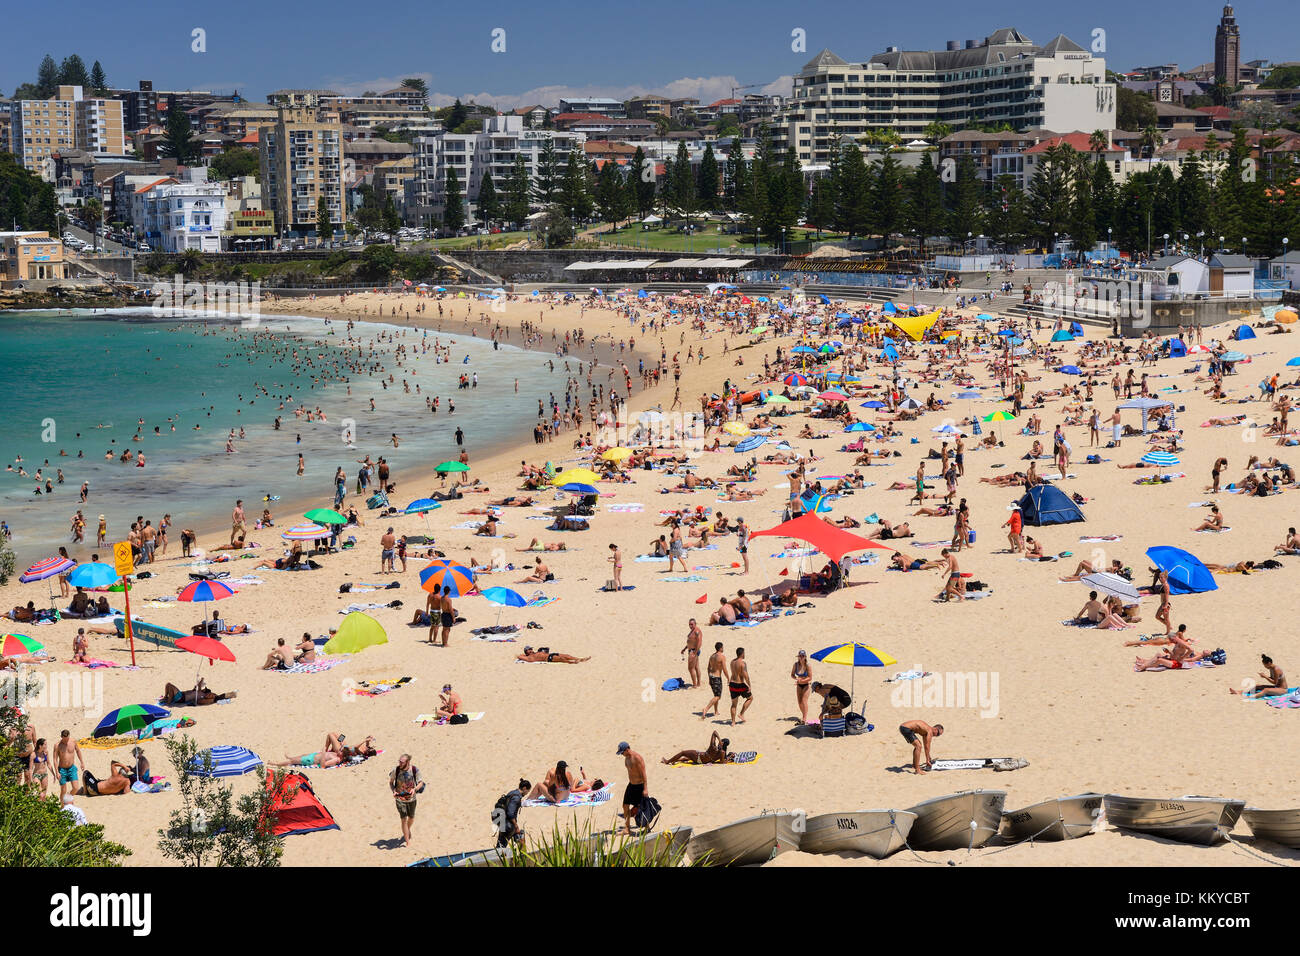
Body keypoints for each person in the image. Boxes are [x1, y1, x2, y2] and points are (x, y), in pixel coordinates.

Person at [389, 754, 423, 848]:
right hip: (400, 799)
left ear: (407, 762)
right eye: (399, 761)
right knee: (403, 819)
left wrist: (414, 789)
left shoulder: (414, 770)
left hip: (412, 798)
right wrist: (394, 791)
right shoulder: (396, 770)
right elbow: (391, 782)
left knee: (411, 818)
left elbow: (421, 783)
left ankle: (407, 830)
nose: (399, 763)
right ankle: (407, 841)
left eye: (401, 762)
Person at [617, 741, 648, 835]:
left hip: (639, 786)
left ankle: (647, 828)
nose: (622, 754)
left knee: (642, 808)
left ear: (627, 749)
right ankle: (627, 829)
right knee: (625, 805)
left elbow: (643, 774)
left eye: (622, 752)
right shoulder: (626, 758)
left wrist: (645, 789)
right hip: (631, 785)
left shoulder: (637, 758)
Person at [494, 778, 529, 848]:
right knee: (502, 846)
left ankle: (522, 854)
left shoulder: (512, 793)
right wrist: (516, 826)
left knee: (519, 837)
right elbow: (510, 813)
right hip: (508, 825)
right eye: (527, 791)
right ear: (524, 788)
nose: (527, 793)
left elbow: (508, 805)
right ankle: (523, 856)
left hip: (502, 820)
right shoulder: (516, 798)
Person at [661, 731, 730, 765]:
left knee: (683, 752)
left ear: (722, 743)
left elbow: (714, 732)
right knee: (687, 757)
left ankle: (667, 761)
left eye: (721, 741)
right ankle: (676, 760)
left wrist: (719, 738)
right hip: (701, 762)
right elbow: (722, 762)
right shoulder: (722, 753)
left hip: (698, 756)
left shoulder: (713, 747)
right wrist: (728, 758)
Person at [54, 729, 84, 798]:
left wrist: (82, 762)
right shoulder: (57, 745)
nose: (66, 741)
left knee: (76, 788)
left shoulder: (73, 741)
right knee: (63, 790)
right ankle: (62, 806)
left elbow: (78, 751)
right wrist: (57, 772)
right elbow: (55, 759)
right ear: (61, 737)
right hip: (62, 770)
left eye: (67, 739)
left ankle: (67, 799)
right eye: (64, 739)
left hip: (71, 768)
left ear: (69, 736)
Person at [728, 647, 752, 726]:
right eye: (744, 653)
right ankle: (741, 713)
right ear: (742, 654)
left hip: (732, 684)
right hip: (740, 684)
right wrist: (749, 685)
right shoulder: (742, 663)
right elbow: (746, 676)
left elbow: (733, 673)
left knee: (734, 704)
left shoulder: (732, 662)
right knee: (750, 698)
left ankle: (733, 722)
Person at [701, 642, 726, 719]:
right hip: (717, 678)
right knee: (718, 696)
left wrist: (709, 678)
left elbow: (708, 668)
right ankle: (706, 709)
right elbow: (724, 669)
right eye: (723, 647)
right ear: (720, 648)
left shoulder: (712, 656)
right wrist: (728, 678)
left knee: (716, 695)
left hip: (711, 677)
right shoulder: (722, 657)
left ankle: (716, 711)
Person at [792, 650, 813, 724]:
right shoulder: (796, 665)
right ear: (798, 657)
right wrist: (796, 679)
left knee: (804, 701)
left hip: (806, 684)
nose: (801, 657)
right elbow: (792, 675)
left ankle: (804, 718)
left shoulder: (808, 665)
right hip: (799, 684)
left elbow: (810, 677)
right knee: (799, 702)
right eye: (800, 656)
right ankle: (803, 714)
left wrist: (801, 680)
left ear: (805, 657)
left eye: (802, 656)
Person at [682, 618, 702, 688]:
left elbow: (699, 642)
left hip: (693, 651)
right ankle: (698, 683)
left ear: (695, 624)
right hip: (692, 650)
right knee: (696, 667)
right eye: (689, 624)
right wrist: (684, 649)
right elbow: (690, 642)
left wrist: (694, 653)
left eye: (692, 624)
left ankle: (694, 685)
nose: (690, 626)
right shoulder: (692, 631)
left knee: (691, 668)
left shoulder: (697, 631)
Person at [516, 645, 590, 663]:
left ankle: (578, 658)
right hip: (548, 658)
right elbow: (518, 656)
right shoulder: (529, 658)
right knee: (561, 659)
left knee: (566, 655)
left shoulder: (535, 653)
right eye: (529, 650)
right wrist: (525, 655)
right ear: (526, 652)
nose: (531, 650)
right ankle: (572, 662)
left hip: (551, 654)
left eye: (531, 649)